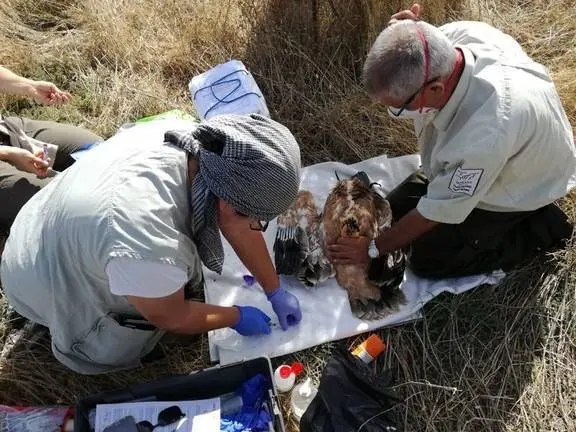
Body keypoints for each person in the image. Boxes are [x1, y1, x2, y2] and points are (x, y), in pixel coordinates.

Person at [0, 113, 303, 374]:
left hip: (44, 219)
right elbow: (170, 315)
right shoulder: (148, 240)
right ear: (228, 203)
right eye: (257, 220)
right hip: (33, 278)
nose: (256, 229)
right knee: (133, 334)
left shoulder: (202, 146)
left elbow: (237, 225)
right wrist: (235, 316)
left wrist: (273, 288)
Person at [328, 4, 576, 278]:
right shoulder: (447, 42)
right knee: (392, 210)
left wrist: (373, 249)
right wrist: (404, 36)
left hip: (518, 186)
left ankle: (541, 228)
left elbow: (435, 212)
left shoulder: (486, 134)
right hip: (503, 152)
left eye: (398, 108)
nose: (396, 114)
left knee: (427, 258)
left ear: (435, 89)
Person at [0, 65, 103, 233]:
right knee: (56, 201)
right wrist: (9, 154)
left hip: (6, 129)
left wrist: (29, 86)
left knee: (97, 148)